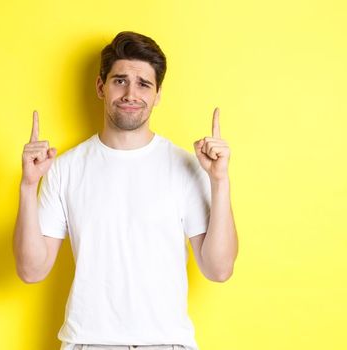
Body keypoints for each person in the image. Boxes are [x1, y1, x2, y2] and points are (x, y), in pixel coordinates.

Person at [12, 31, 238, 350]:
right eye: (120, 80)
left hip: (167, 343)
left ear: (157, 93)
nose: (131, 93)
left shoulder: (188, 167)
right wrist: (28, 186)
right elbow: (31, 270)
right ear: (101, 86)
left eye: (144, 84)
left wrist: (220, 181)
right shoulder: (64, 168)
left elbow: (219, 269)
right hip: (88, 343)